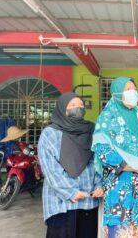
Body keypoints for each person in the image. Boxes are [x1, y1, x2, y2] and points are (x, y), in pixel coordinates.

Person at [92, 77, 138, 238]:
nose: (133, 92)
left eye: (134, 89)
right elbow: (104, 153)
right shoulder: (106, 120)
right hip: (120, 193)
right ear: (116, 93)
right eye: (127, 89)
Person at [38, 92, 103, 238]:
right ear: (62, 108)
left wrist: (99, 185)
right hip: (61, 204)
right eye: (72, 105)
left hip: (88, 202)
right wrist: (71, 192)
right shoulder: (50, 134)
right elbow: (50, 169)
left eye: (80, 105)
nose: (77, 108)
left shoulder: (90, 131)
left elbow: (97, 162)